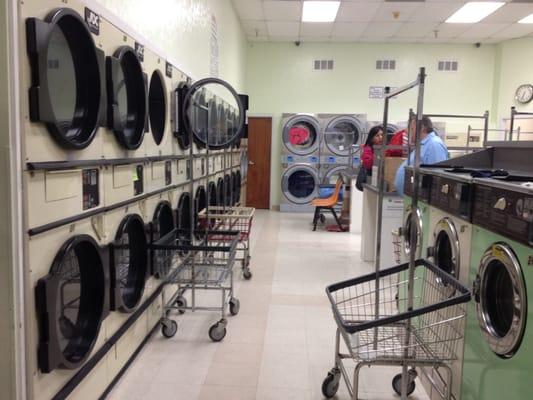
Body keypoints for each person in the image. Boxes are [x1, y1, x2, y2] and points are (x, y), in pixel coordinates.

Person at [395, 117, 448, 196]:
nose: (408, 132)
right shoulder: (423, 145)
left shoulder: (434, 144)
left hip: (421, 201)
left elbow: (437, 178)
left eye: (412, 129)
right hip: (411, 199)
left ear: (422, 128)